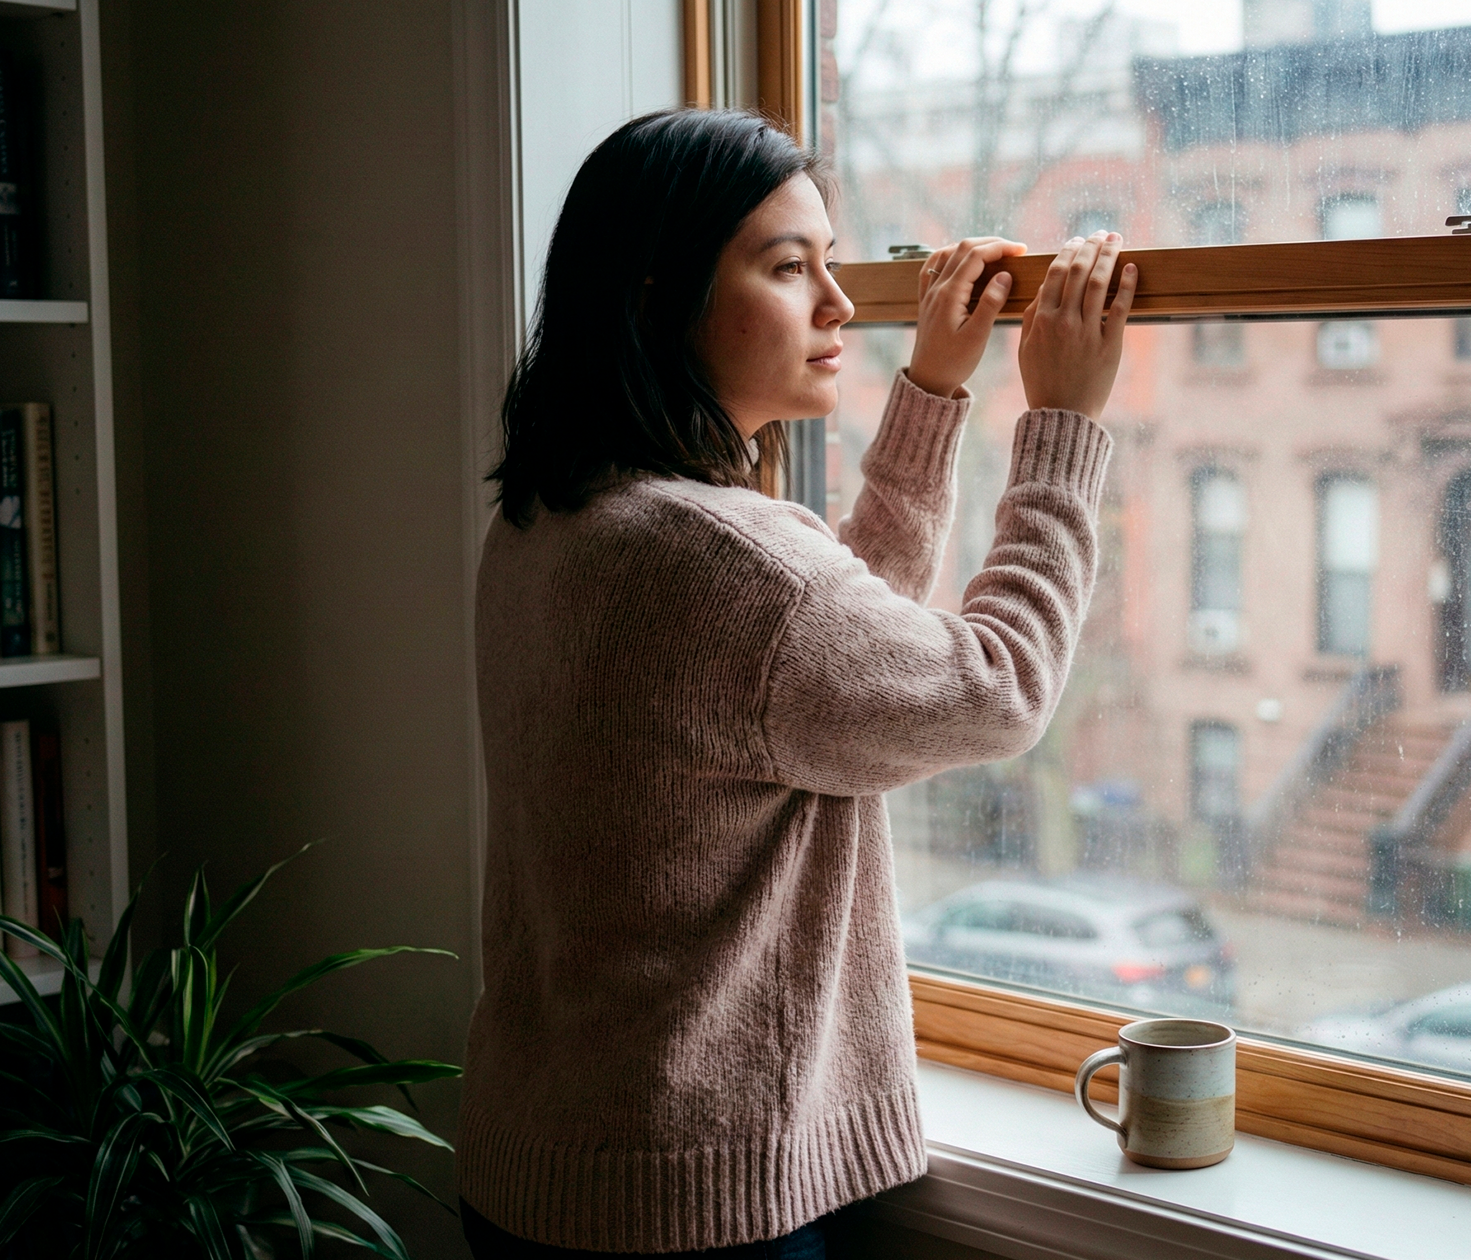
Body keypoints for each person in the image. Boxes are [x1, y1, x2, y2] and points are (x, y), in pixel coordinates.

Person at [458, 109, 1136, 1258]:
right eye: (787, 268)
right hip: (687, 1207)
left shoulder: (554, 516)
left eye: (832, 262)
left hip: (540, 1167)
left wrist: (928, 394)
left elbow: (813, 668)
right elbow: (997, 686)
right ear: (652, 298)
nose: (837, 303)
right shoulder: (712, 562)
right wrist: (1061, 425)